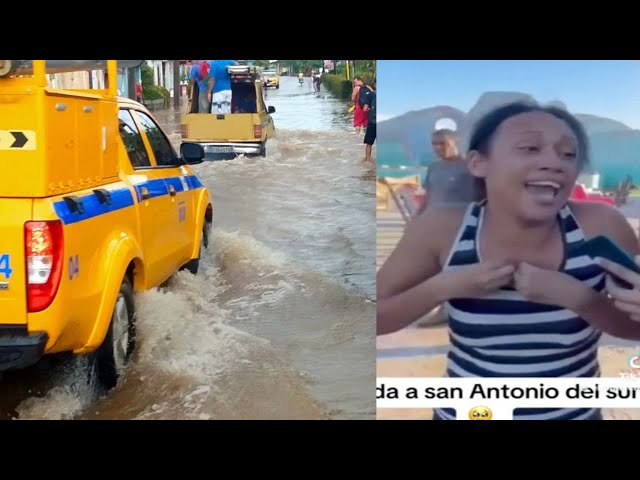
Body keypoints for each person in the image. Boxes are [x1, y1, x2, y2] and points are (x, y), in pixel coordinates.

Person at [377, 101, 640, 421]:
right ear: (478, 163)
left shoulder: (602, 225)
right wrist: (442, 288)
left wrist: (577, 296)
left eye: (568, 154)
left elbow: (634, 328)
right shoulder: (443, 229)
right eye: (530, 148)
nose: (553, 162)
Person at [416, 129, 481, 215]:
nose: (437, 147)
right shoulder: (433, 167)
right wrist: (418, 216)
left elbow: (480, 199)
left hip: (460, 219)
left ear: (455, 143)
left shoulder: (469, 167)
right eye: (434, 144)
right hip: (434, 219)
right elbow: (428, 196)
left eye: (442, 143)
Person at [361, 79, 376, 162]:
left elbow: (365, 109)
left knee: (369, 143)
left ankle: (367, 160)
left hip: (372, 122)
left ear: (375, 84)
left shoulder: (370, 94)